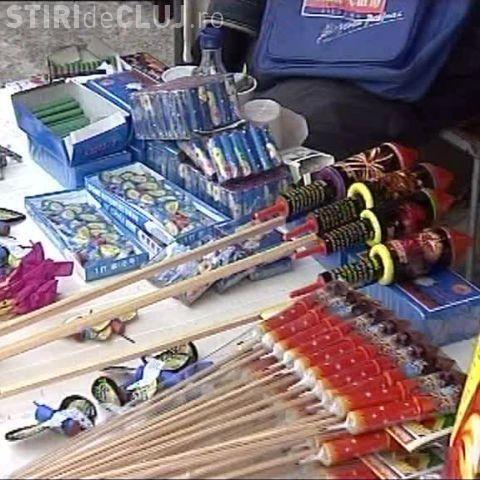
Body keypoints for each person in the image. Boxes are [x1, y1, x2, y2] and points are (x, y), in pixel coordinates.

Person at [199, 0, 480, 159]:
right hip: (287, 58)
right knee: (214, 140)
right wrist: (222, 36)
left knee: (257, 155)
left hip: (393, 83)